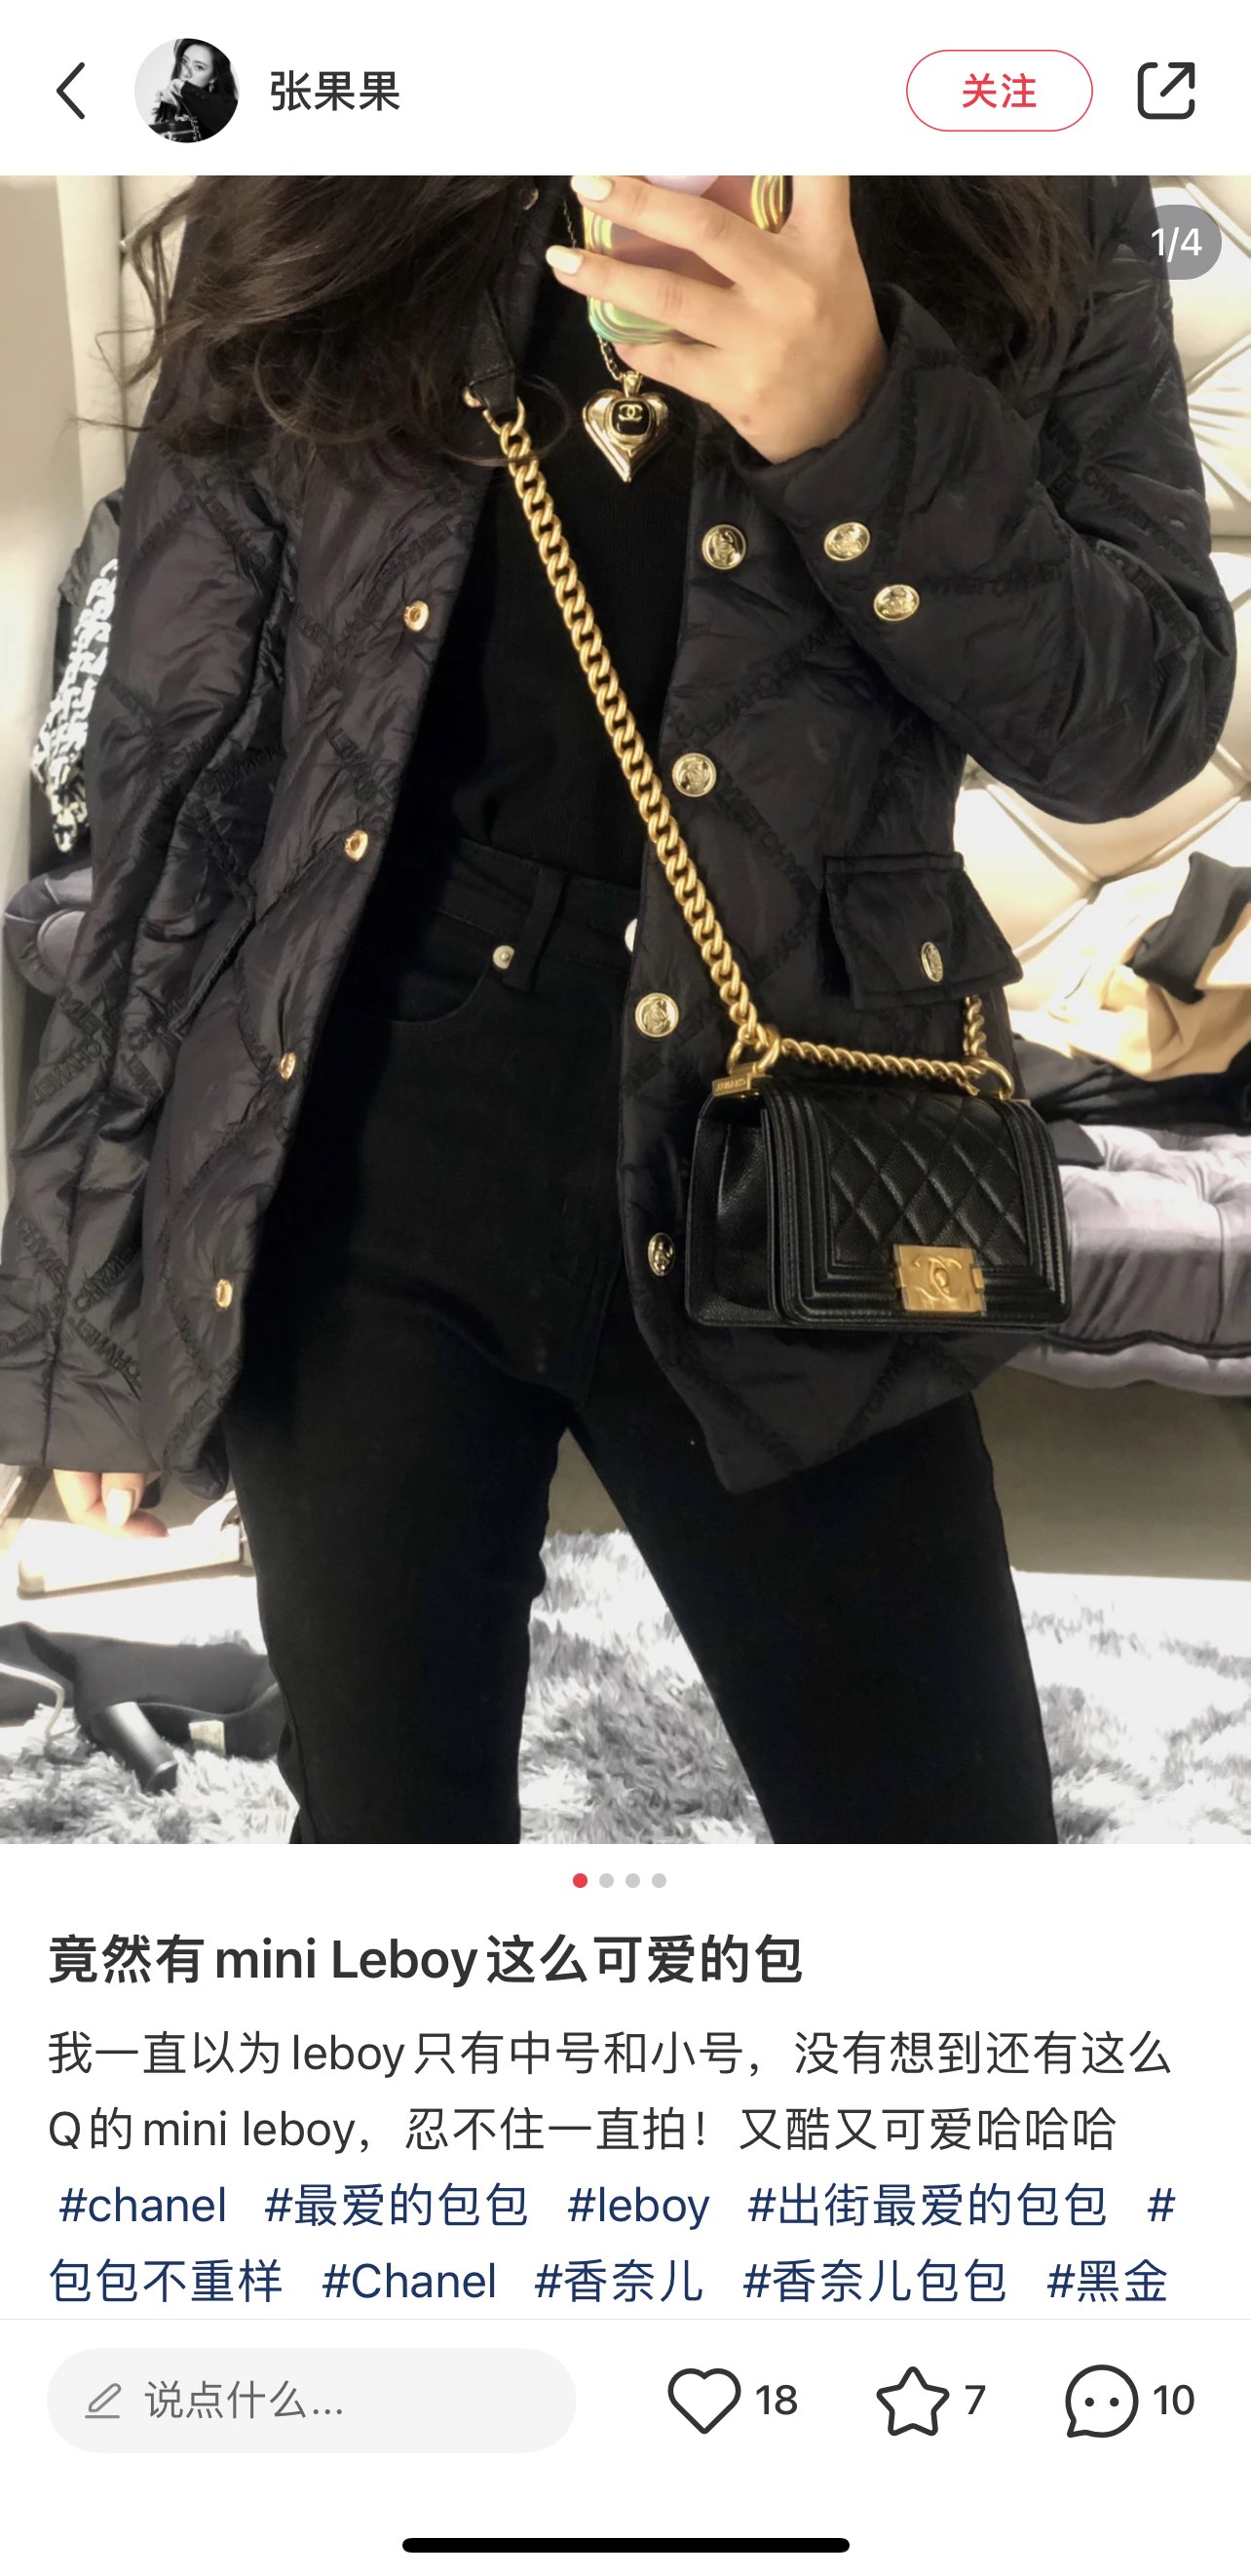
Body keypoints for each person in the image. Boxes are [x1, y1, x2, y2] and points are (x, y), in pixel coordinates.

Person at [0, 175, 1234, 1844]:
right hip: (355, 1124)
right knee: (384, 1848)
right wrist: (77, 1303)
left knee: (944, 1849)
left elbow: (1137, 721)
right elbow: (179, 765)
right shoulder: (335, 172)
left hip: (801, 1122)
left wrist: (854, 416)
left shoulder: (1017, 187)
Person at [147, 40, 237, 142]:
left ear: (213, 77)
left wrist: (185, 89)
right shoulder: (171, 102)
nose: (185, 72)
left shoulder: (225, 107)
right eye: (184, 61)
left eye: (199, 67)